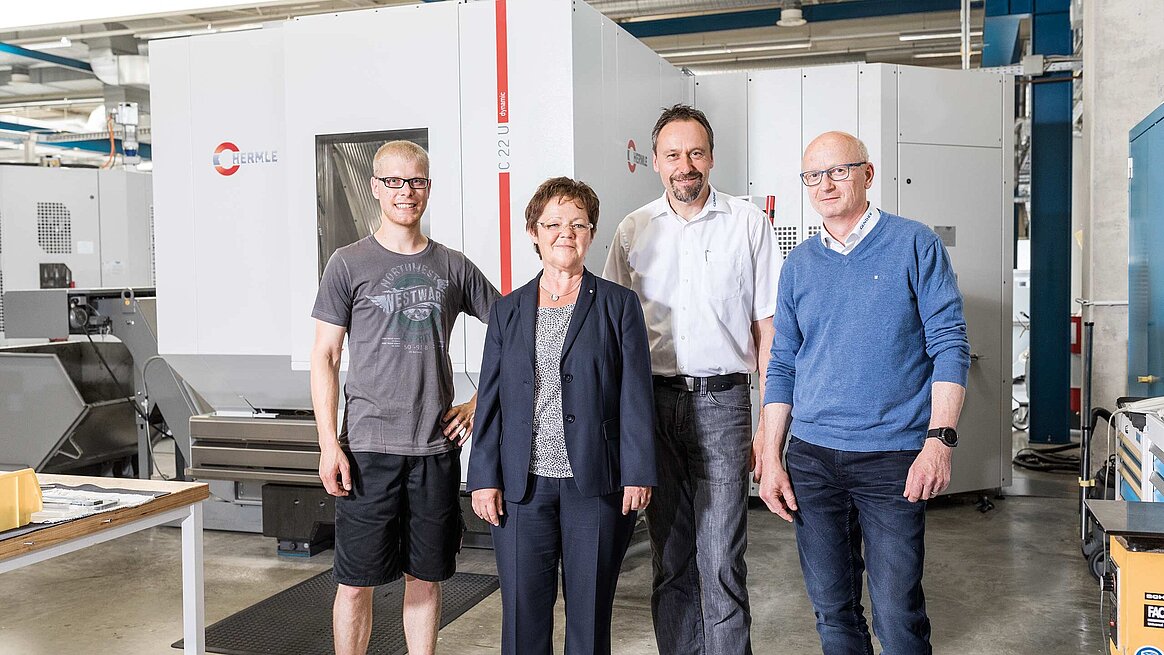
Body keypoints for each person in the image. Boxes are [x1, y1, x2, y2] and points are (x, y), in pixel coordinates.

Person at [758, 131, 969, 654]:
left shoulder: (915, 243)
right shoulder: (799, 264)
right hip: (812, 459)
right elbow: (782, 363)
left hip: (893, 457)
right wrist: (771, 455)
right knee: (832, 610)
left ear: (868, 174)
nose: (824, 184)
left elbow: (950, 344)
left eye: (839, 170)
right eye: (813, 175)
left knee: (897, 613)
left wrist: (939, 441)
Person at [310, 140, 500, 655]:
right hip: (366, 450)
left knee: (426, 575)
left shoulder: (452, 266)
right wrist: (330, 445)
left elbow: (512, 327)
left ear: (429, 188)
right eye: (394, 181)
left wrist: (480, 399)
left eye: (416, 181)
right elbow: (325, 356)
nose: (406, 192)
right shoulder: (347, 264)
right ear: (375, 188)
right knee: (354, 581)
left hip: (433, 450)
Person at [603, 104, 779, 655]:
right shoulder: (633, 230)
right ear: (654, 161)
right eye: (673, 154)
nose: (686, 165)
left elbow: (767, 331)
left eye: (696, 153)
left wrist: (769, 430)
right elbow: (612, 333)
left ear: (711, 157)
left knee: (722, 557)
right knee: (670, 558)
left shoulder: (748, 222)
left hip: (723, 403)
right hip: (651, 406)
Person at [467, 176, 656, 655]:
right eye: (553, 223)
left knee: (590, 616)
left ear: (592, 233)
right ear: (534, 232)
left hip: (593, 483)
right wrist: (483, 477)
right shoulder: (507, 310)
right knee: (522, 617)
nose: (565, 233)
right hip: (521, 486)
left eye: (577, 223)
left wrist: (637, 471)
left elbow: (635, 394)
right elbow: (489, 401)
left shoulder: (618, 304)